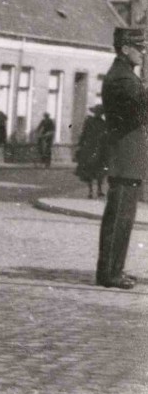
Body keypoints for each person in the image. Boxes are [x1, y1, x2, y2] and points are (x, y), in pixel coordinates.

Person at [96, 27, 148, 290]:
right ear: (125, 48)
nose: (143, 52)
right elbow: (142, 105)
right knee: (119, 218)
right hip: (124, 157)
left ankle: (113, 269)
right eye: (139, 48)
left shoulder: (126, 75)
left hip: (128, 156)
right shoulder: (122, 79)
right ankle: (109, 273)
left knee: (123, 217)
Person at [74, 105, 109, 199]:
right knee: (93, 170)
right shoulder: (97, 122)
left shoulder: (98, 122)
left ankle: (96, 190)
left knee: (96, 170)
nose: (98, 114)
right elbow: (84, 133)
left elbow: (84, 134)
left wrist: (80, 145)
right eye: (98, 112)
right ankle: (94, 190)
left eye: (99, 112)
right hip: (94, 148)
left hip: (93, 148)